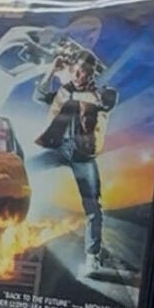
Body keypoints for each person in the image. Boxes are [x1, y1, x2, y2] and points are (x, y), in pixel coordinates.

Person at [32, 50, 117, 275]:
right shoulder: (65, 90)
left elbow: (102, 102)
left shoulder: (102, 93)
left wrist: (69, 89)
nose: (79, 74)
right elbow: (39, 97)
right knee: (27, 168)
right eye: (76, 69)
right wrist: (51, 69)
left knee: (92, 208)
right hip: (60, 149)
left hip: (83, 156)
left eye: (84, 71)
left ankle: (92, 256)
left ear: (91, 74)